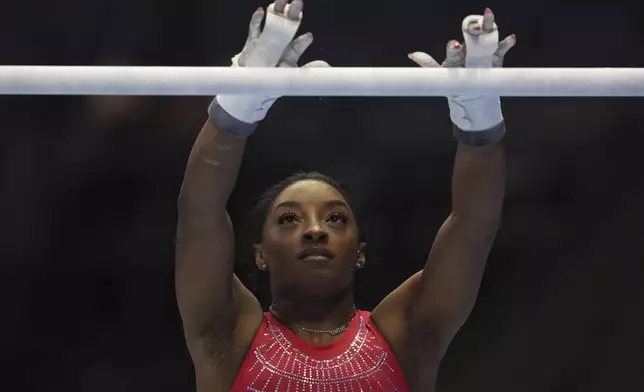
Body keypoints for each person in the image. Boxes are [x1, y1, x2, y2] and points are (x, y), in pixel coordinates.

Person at [175, 1, 516, 391]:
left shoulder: (406, 334)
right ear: (260, 254)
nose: (315, 231)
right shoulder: (227, 335)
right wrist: (240, 101)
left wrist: (479, 112)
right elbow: (199, 213)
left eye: (335, 218)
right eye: (289, 219)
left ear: (360, 252)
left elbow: (473, 226)